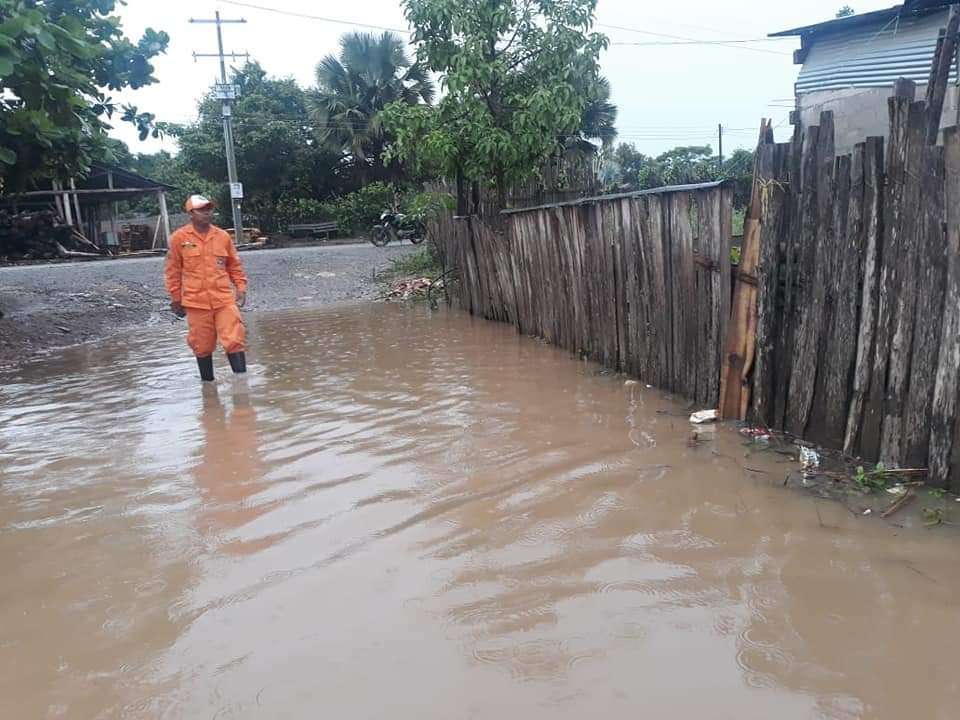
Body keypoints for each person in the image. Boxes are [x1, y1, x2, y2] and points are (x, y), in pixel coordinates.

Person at [165, 194, 249, 382]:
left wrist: (241, 287)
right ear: (191, 213)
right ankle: (208, 387)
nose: (207, 213)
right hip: (196, 303)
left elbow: (234, 265)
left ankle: (243, 388)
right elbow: (173, 271)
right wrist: (175, 298)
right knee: (201, 345)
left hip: (224, 300)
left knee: (234, 340)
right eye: (202, 210)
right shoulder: (179, 238)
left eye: (209, 209)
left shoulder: (222, 236)